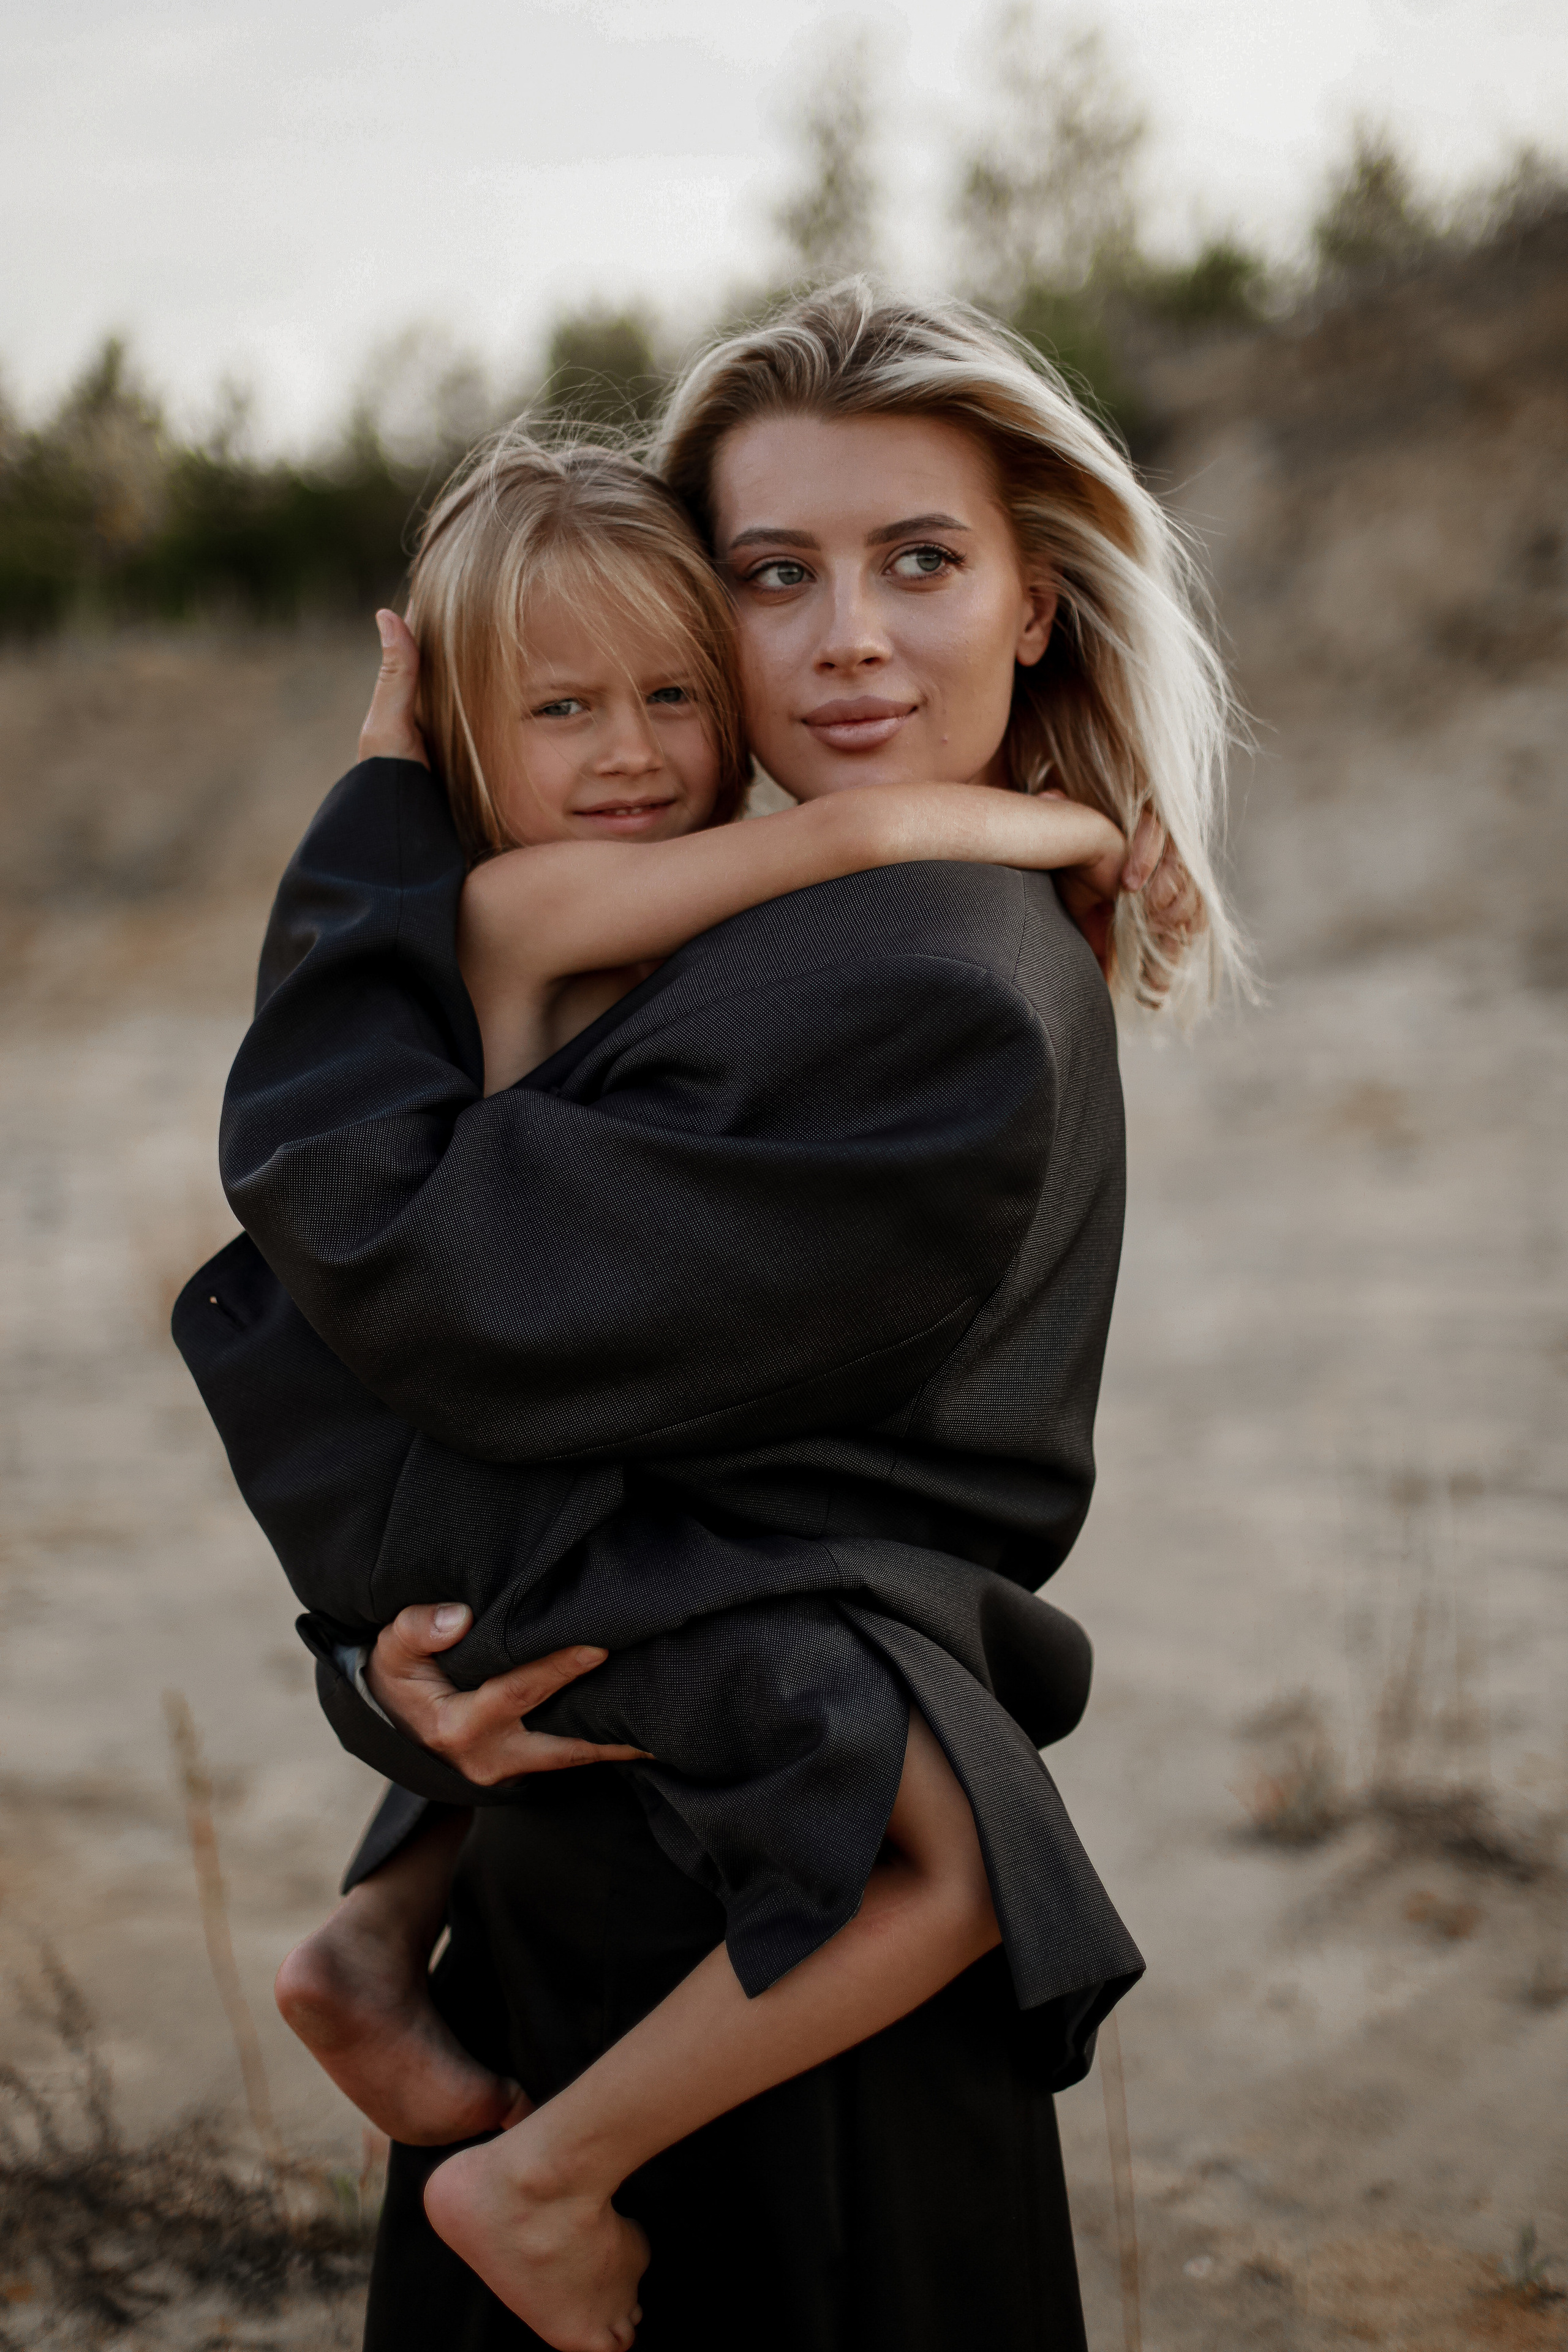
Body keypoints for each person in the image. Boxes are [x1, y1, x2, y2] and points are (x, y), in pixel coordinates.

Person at [175, 281, 1242, 2352]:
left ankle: (472, 2075)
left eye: (919, 561)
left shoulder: (928, 987)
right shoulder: (792, 908)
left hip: (737, 1954)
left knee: (966, 1879)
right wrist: (388, 1687)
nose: (845, 639)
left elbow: (463, 1317)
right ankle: (441, 2035)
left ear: (1035, 599)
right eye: (773, 574)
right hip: (640, 1886)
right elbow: (547, 1387)